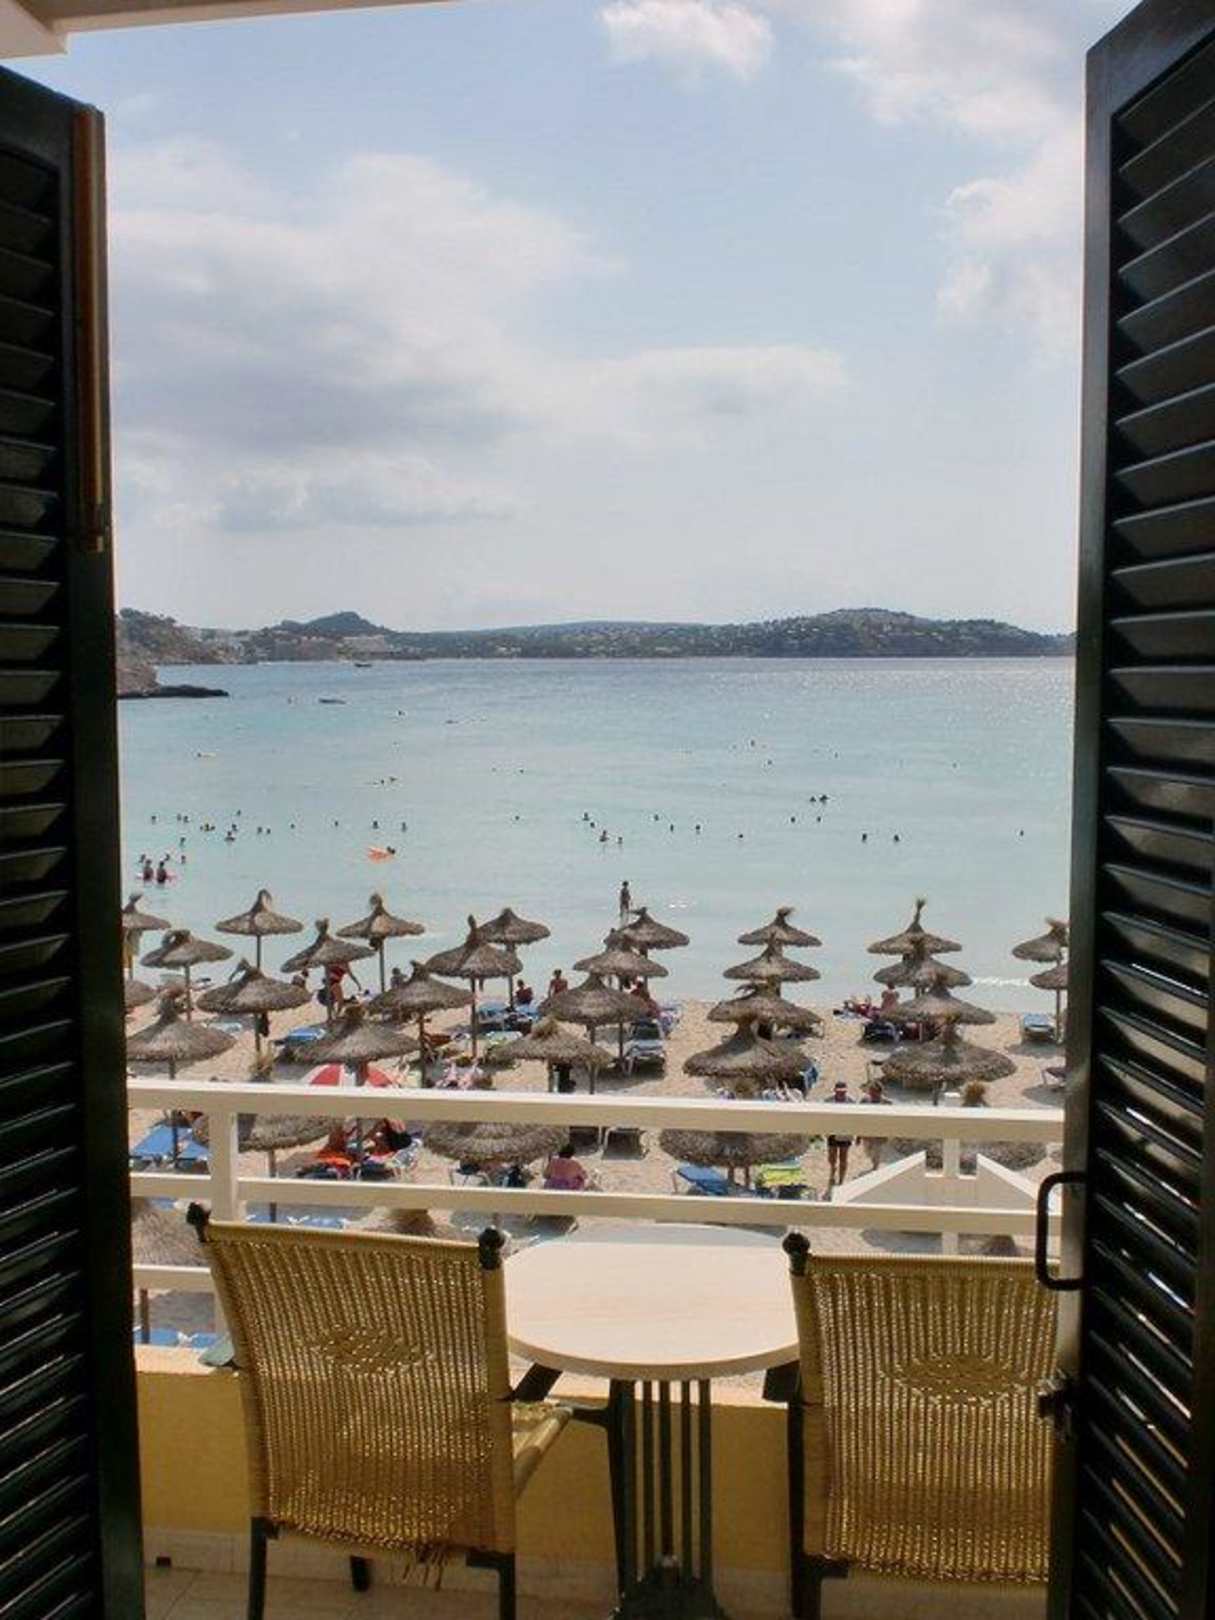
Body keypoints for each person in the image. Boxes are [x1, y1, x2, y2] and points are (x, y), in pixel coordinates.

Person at [825, 1080, 855, 1190]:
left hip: (845, 1133)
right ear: (835, 1090)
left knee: (843, 1157)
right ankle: (833, 1171)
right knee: (832, 1157)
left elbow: (855, 1120)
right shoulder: (828, 1102)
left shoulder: (851, 1102)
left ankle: (841, 1180)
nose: (841, 1093)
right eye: (839, 1091)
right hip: (832, 1133)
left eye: (843, 1091)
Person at [860, 1077, 892, 1170]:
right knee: (868, 1153)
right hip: (867, 1134)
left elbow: (891, 1119)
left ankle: (875, 1168)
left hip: (879, 1134)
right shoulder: (864, 1101)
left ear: (879, 1092)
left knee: (877, 1153)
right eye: (871, 1092)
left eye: (874, 1092)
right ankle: (874, 1164)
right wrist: (859, 1135)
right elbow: (860, 1119)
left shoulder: (887, 1103)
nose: (872, 1094)